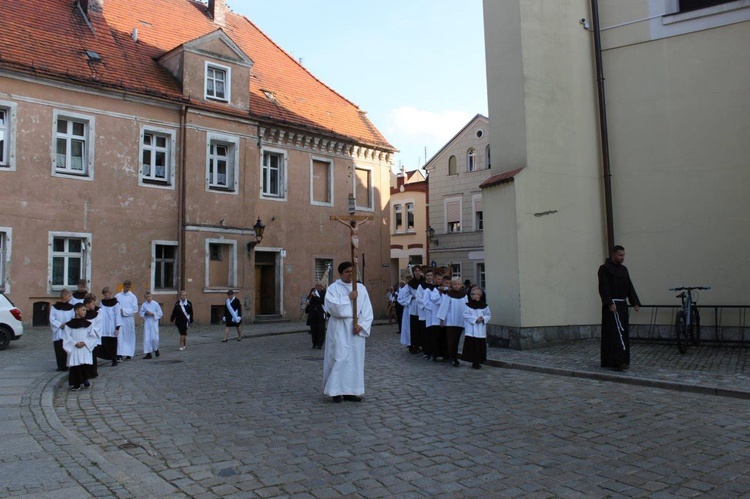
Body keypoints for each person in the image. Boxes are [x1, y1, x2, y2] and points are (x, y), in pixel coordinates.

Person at [323, 261, 373, 403]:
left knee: (354, 361)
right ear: (340, 273)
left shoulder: (361, 288)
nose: (350, 274)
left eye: (352, 271)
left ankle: (351, 390)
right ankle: (335, 390)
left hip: (355, 329)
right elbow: (331, 307)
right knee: (339, 358)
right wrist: (348, 298)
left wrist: (361, 325)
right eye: (347, 272)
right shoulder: (333, 288)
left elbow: (367, 310)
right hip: (340, 327)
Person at [598, 245, 641, 371]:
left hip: (622, 305)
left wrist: (634, 302)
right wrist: (609, 302)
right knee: (614, 334)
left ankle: (621, 359)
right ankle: (616, 361)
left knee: (622, 333)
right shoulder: (604, 269)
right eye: (620, 255)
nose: (623, 257)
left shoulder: (624, 270)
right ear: (613, 255)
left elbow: (629, 286)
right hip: (612, 306)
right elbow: (603, 287)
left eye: (624, 255)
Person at [63, 303, 98, 391]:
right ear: (76, 311)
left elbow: (92, 335)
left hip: (84, 346)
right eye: (83, 310)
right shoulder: (69, 325)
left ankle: (85, 379)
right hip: (74, 347)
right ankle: (76, 383)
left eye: (85, 310)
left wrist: (85, 342)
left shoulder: (88, 324)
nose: (85, 312)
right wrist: (75, 343)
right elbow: (67, 337)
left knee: (84, 364)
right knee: (75, 366)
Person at [438, 277, 468, 367]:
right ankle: (453, 357)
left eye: (458, 284)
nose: (457, 286)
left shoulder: (464, 295)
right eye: (455, 284)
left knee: (457, 339)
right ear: (452, 285)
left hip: (460, 320)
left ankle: (453, 355)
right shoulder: (448, 295)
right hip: (451, 321)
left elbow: (467, 308)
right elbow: (444, 307)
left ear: (461, 285)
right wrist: (442, 319)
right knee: (451, 339)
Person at [463, 286, 492, 369]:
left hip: (480, 329)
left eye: (474, 294)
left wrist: (483, 319)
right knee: (472, 346)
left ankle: (478, 361)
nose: (472, 296)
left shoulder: (484, 306)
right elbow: (465, 315)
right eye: (471, 294)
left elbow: (488, 315)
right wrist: (475, 319)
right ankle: (473, 361)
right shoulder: (468, 305)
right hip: (471, 329)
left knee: (479, 346)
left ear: (479, 295)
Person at [398, 267, 424, 354]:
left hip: (423, 307)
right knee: (413, 327)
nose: (417, 272)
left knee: (422, 326)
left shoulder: (424, 283)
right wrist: (411, 297)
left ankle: (422, 344)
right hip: (412, 308)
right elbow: (401, 297)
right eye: (415, 271)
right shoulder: (409, 284)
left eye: (419, 271)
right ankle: (413, 344)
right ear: (413, 272)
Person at [50, 288, 75, 372]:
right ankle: (60, 365)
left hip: (67, 330)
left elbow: (73, 317)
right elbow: (52, 318)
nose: (71, 298)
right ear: (64, 296)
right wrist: (60, 324)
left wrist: (67, 325)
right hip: (58, 331)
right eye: (69, 296)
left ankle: (67, 364)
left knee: (67, 348)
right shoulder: (54, 307)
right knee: (58, 348)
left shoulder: (71, 308)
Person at [99, 287, 121, 366]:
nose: (105, 296)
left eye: (106, 294)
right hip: (104, 327)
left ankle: (114, 359)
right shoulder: (102, 302)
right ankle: (106, 357)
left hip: (112, 327)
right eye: (104, 295)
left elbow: (118, 315)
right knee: (104, 343)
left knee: (112, 344)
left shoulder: (116, 303)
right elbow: (100, 313)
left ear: (110, 293)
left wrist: (117, 327)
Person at [116, 280, 138, 360]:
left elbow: (135, 309)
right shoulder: (117, 296)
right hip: (120, 319)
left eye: (129, 287)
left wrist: (124, 311)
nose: (127, 288)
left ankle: (129, 352)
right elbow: (115, 306)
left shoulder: (133, 297)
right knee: (120, 337)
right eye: (126, 287)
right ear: (123, 286)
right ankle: (119, 354)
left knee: (129, 337)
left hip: (128, 319)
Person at [83, 294, 102, 378]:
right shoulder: (83, 314)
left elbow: (99, 326)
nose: (94, 306)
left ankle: (93, 372)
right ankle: (86, 372)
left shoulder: (96, 314)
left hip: (93, 338)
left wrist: (92, 333)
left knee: (93, 356)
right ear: (87, 305)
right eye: (92, 304)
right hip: (85, 338)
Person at [140, 291, 163, 359]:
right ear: (145, 298)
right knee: (147, 338)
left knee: (154, 338)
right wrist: (145, 313)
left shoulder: (155, 304)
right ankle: (148, 353)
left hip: (153, 322)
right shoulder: (144, 305)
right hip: (147, 322)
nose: (149, 298)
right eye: (147, 297)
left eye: (150, 296)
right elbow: (141, 312)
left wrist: (153, 314)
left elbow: (160, 313)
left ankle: (156, 349)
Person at [305, 281, 327, 349]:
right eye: (317, 285)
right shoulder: (313, 290)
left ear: (322, 286)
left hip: (320, 313)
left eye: (319, 285)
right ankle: (314, 343)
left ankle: (320, 344)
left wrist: (316, 296)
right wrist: (308, 300)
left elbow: (322, 301)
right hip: (313, 313)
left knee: (321, 329)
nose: (318, 287)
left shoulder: (324, 292)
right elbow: (309, 297)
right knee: (313, 329)